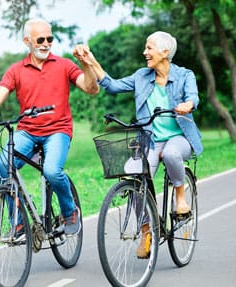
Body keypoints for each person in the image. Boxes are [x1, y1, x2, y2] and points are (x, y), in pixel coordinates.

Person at [73, 31, 203, 257]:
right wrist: (90, 60)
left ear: (165, 52)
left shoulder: (184, 75)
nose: (145, 52)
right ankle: (147, 230)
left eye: (149, 48)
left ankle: (180, 196)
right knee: (134, 177)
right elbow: (112, 85)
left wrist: (188, 104)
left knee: (172, 154)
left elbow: (193, 96)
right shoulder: (142, 76)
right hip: (150, 139)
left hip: (179, 137)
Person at [0, 18, 99, 235]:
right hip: (27, 131)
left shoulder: (64, 65)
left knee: (51, 171)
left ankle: (69, 211)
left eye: (50, 39)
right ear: (27, 41)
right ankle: (18, 223)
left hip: (58, 130)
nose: (46, 43)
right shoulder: (16, 70)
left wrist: (85, 63)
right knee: (3, 164)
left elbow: (91, 88)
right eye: (41, 39)